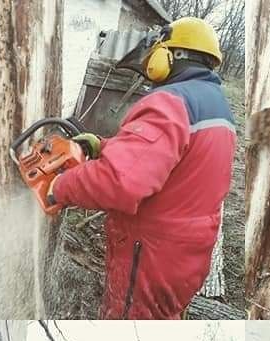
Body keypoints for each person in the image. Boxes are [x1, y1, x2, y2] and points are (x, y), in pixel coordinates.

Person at [48, 17, 236, 320]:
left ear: (170, 55)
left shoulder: (170, 102)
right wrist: (102, 146)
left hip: (150, 252)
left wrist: (59, 188)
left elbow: (119, 182)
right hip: (189, 251)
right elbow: (168, 160)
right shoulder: (216, 105)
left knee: (130, 319)